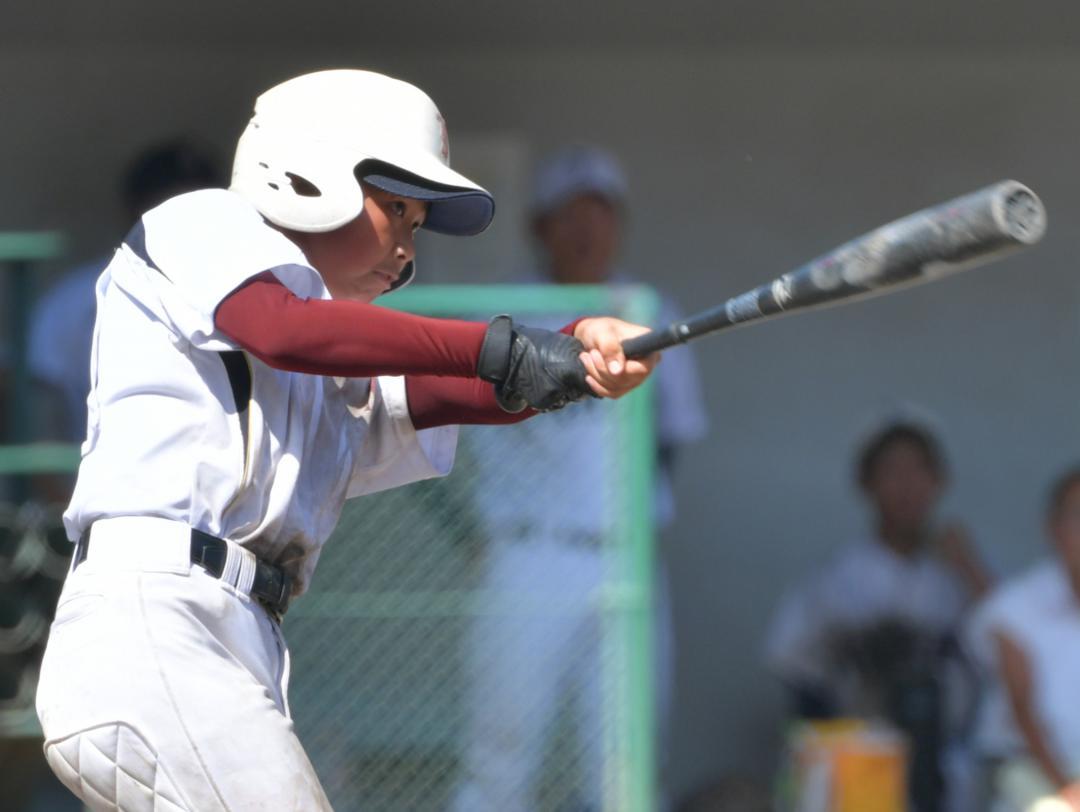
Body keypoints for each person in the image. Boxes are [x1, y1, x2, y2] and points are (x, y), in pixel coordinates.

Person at [33, 69, 659, 812]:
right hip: (156, 624)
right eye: (395, 207)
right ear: (307, 172)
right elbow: (287, 329)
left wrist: (570, 358)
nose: (405, 248)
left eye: (416, 224)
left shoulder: (319, 348)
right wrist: (503, 347)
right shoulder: (205, 224)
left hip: (233, 638)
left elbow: (417, 396)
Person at [453, 147, 707, 811]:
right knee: (500, 760)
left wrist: (643, 524)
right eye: (570, 214)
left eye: (601, 212)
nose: (587, 229)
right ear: (540, 227)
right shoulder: (502, 310)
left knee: (625, 767)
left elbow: (669, 443)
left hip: (625, 561)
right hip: (529, 552)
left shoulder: (647, 307)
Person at [765, 416, 993, 812]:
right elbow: (790, 664)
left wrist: (969, 567)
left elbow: (1011, 649)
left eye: (919, 471)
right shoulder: (837, 578)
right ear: (865, 483)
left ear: (940, 482)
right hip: (856, 754)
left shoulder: (957, 573)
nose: (906, 486)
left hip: (944, 759)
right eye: (892, 471)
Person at [28, 139, 224, 443]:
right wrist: (58, 491)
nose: (183, 225)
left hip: (212, 479)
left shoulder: (238, 297)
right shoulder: (80, 297)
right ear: (136, 208)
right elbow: (34, 420)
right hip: (96, 482)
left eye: (198, 209)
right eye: (168, 206)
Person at [967, 467, 1080, 812]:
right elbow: (1023, 711)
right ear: (1053, 528)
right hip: (1030, 775)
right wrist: (1069, 791)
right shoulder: (1015, 607)